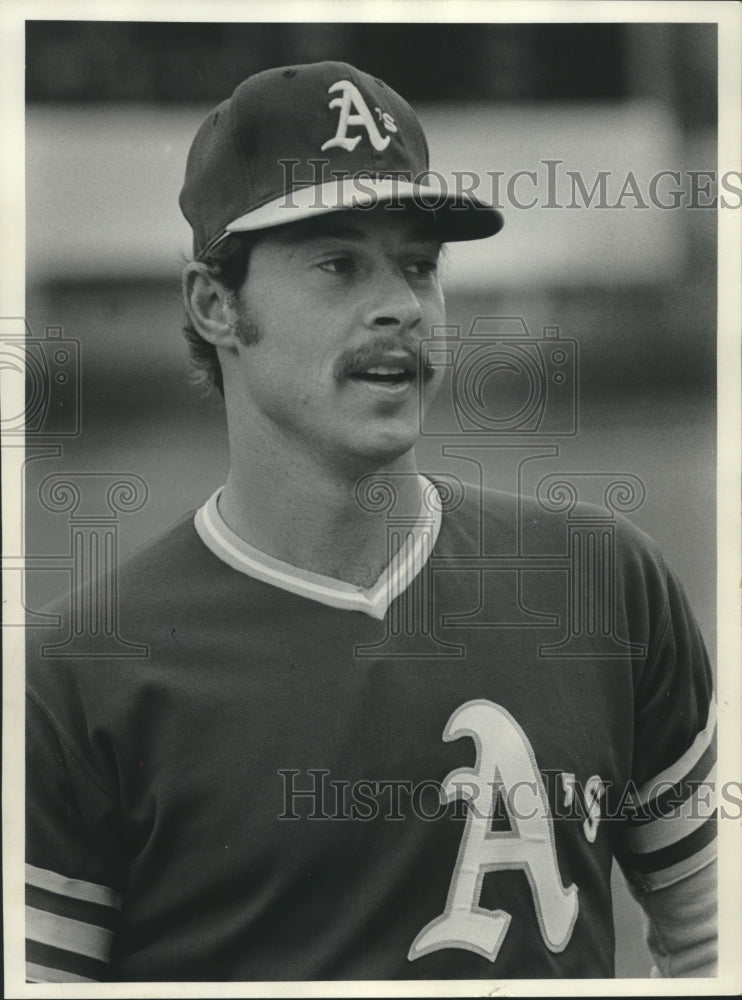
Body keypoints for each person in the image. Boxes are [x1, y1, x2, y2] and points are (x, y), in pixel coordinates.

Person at [25, 60, 716, 983]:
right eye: (339, 265)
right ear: (215, 303)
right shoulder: (82, 676)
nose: (400, 306)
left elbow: (714, 935)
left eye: (420, 266)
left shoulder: (601, 583)